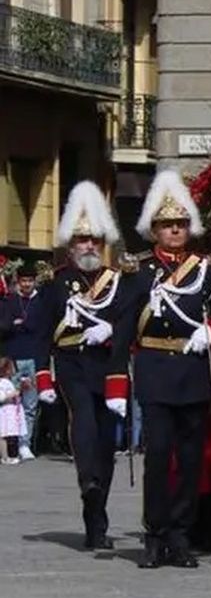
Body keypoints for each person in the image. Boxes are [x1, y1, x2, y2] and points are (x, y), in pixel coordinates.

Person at [114, 171, 211, 570]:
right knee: (157, 458)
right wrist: (117, 383)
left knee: (189, 460)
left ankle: (181, 535)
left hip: (192, 372)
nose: (175, 231)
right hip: (154, 371)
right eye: (168, 225)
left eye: (181, 225)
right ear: (154, 230)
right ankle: (154, 535)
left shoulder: (208, 271)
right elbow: (122, 329)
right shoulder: (138, 273)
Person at [32, 181, 134, 551]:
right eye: (81, 239)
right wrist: (43, 377)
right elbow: (42, 333)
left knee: (106, 443)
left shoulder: (119, 282)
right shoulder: (55, 284)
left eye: (93, 239)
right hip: (72, 365)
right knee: (85, 424)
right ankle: (87, 481)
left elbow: (129, 322)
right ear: (70, 244)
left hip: (107, 367)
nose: (88, 245)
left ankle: (96, 517)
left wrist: (112, 328)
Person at [0, 261, 46, 460]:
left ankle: (25, 444)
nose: (27, 284)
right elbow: (3, 326)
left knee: (30, 404)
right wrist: (15, 324)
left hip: (34, 357)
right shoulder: (9, 301)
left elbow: (41, 327)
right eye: (23, 281)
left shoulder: (42, 301)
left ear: (35, 281)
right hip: (13, 358)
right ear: (18, 282)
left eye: (30, 281)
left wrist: (21, 324)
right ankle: (12, 444)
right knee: (12, 402)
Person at [0, 357, 23, 464]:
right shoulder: (2, 383)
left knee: (9, 434)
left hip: (10, 411)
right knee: (3, 435)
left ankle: (11, 455)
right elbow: (1, 397)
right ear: (7, 370)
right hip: (4, 412)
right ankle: (5, 457)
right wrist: (12, 394)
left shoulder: (9, 382)